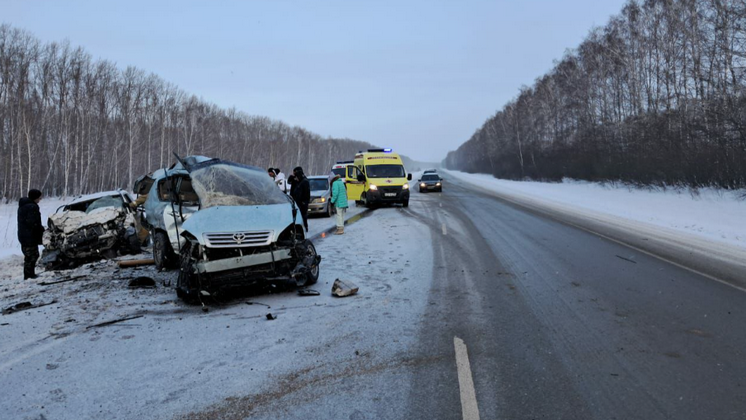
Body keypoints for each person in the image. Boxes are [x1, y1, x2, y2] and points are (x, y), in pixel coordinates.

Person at [17, 189, 44, 279]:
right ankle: (29, 275)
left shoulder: (23, 205)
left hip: (24, 235)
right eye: (39, 197)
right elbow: (33, 223)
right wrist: (41, 230)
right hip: (29, 236)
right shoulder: (32, 207)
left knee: (30, 255)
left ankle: (29, 274)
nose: (40, 199)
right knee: (32, 255)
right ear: (35, 197)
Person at [289, 166, 310, 231]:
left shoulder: (304, 181)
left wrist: (304, 201)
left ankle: (304, 227)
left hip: (302, 201)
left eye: (295, 172)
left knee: (303, 214)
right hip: (296, 200)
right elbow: (289, 182)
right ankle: (298, 227)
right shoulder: (296, 180)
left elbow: (306, 192)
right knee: (297, 214)